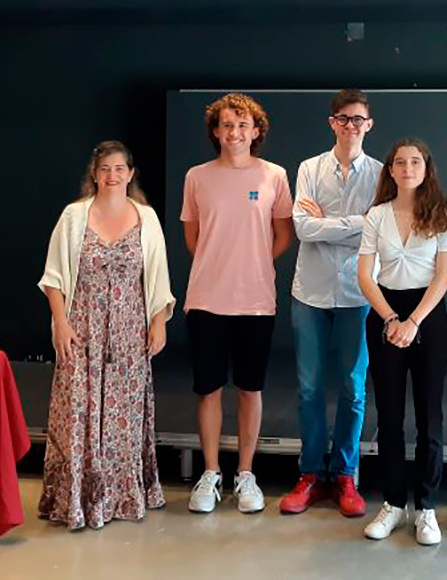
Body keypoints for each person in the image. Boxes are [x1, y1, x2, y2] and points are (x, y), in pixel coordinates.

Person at [38, 140, 176, 530]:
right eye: (105, 169)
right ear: (94, 174)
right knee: (78, 410)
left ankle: (122, 494)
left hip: (130, 333)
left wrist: (158, 320)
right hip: (82, 328)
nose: (112, 176)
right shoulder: (74, 216)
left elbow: (158, 275)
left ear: (130, 173)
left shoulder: (146, 218)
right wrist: (61, 322)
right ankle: (78, 500)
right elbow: (53, 278)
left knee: (124, 415)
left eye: (119, 168)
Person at [181, 93, 293, 514]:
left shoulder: (274, 176)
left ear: (256, 131)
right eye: (227, 125)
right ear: (216, 131)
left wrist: (251, 264)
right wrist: (219, 264)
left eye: (243, 125)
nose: (234, 132)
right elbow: (193, 238)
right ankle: (210, 474)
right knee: (208, 390)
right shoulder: (197, 177)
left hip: (256, 301)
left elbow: (282, 235)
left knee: (250, 388)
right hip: (206, 299)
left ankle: (246, 474)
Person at [280, 89, 381, 518]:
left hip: (359, 293)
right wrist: (350, 225)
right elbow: (302, 229)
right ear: (331, 123)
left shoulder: (380, 175)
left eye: (358, 119)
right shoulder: (308, 168)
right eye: (343, 118)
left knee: (353, 389)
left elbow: (376, 229)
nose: (350, 126)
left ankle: (345, 475)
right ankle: (310, 474)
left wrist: (328, 222)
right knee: (308, 389)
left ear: (368, 125)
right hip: (311, 292)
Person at [358, 138, 447, 546]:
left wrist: (413, 321)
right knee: (391, 417)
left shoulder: (441, 214)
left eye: (415, 161)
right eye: (400, 162)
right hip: (386, 315)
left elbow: (443, 275)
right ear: (391, 170)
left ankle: (427, 507)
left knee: (429, 416)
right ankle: (394, 503)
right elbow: (365, 275)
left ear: (426, 168)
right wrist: (392, 319)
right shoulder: (377, 215)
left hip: (428, 318)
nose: (407, 168)